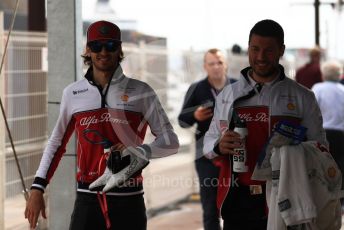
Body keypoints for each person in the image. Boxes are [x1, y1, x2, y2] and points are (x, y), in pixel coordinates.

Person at [24, 20, 179, 230]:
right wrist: (37, 188)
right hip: (88, 199)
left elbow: (171, 141)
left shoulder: (142, 91)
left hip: (129, 199)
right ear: (88, 50)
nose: (103, 52)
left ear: (120, 49)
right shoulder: (72, 93)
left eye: (110, 45)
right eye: (97, 46)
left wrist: (140, 150)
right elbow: (56, 143)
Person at [203, 19, 327, 230]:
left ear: (281, 50)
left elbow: (322, 149)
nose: (260, 57)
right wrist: (219, 146)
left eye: (269, 50)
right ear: (248, 48)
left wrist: (291, 152)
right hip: (238, 202)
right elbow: (208, 144)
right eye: (255, 49)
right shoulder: (228, 95)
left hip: (287, 200)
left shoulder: (303, 97)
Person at [178, 48, 235, 230]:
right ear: (205, 67)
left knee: (235, 204)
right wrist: (195, 115)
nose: (216, 67)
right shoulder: (197, 89)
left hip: (234, 154)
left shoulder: (238, 86)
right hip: (206, 156)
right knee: (210, 206)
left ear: (225, 64)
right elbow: (182, 120)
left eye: (219, 62)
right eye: (212, 63)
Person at [312, 60, 344, 192]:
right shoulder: (343, 90)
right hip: (341, 133)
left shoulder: (317, 88)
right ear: (339, 75)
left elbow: (312, 111)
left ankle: (324, 191)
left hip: (322, 133)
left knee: (322, 164)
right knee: (340, 164)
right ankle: (340, 193)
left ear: (323, 74)